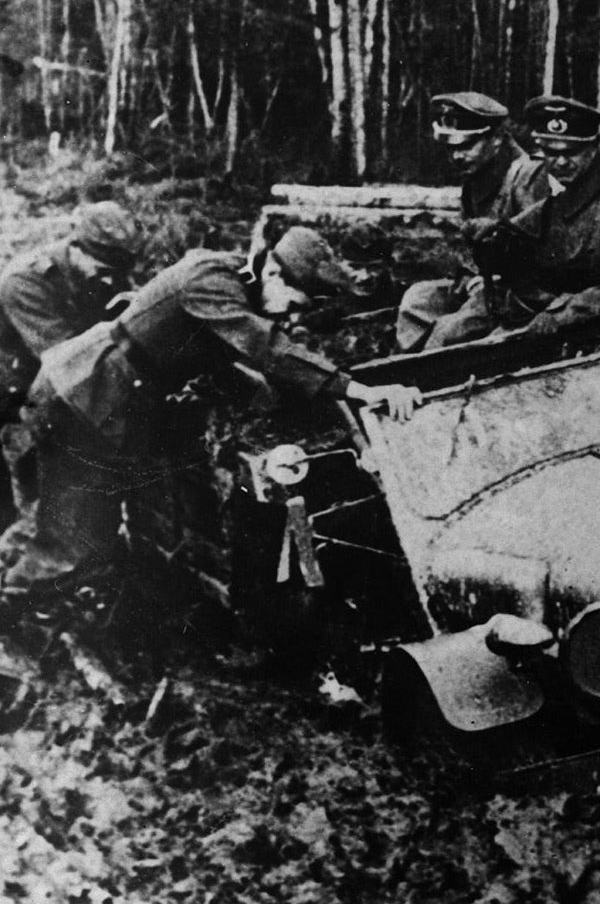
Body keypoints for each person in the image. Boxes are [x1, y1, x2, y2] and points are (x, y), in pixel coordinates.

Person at [0, 226, 420, 594]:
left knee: (79, 519)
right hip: (85, 393)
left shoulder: (235, 283)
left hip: (107, 397)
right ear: (273, 272)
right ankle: (18, 624)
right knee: (74, 532)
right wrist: (359, 390)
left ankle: (33, 590)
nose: (292, 315)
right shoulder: (213, 279)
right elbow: (264, 346)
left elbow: (237, 361)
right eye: (294, 301)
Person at [421, 95, 600, 347]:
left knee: (486, 356)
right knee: (450, 335)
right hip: (546, 306)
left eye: (571, 152)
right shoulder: (559, 186)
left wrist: (564, 313)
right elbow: (531, 234)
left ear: (595, 145)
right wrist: (494, 235)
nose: (560, 162)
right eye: (550, 152)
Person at [0, 201, 144, 518]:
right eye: (104, 272)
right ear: (77, 247)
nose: (110, 282)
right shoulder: (26, 282)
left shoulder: (100, 272)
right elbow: (64, 359)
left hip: (58, 392)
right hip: (16, 398)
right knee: (31, 509)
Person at [395, 91, 548, 351]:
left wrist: (488, 281)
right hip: (482, 285)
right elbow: (468, 246)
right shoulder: (475, 179)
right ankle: (399, 367)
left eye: (466, 146)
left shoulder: (528, 176)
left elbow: (542, 253)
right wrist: (471, 276)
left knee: (448, 332)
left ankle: (428, 382)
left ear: (497, 139)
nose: (457, 156)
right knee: (417, 301)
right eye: (452, 148)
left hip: (518, 295)